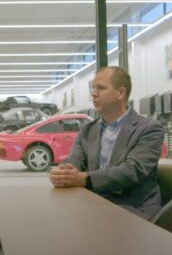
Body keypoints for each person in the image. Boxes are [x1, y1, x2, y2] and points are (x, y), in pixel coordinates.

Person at [49, 66, 164, 219]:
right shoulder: (87, 129)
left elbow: (132, 171)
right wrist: (64, 173)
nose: (93, 94)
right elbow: (74, 160)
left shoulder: (149, 129)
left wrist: (85, 179)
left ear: (120, 93)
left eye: (101, 88)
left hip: (133, 208)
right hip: (95, 203)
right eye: (93, 88)